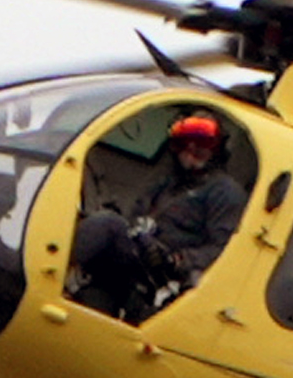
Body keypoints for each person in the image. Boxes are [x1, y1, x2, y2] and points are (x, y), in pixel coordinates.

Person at [68, 104, 253, 322]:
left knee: (107, 224)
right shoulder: (166, 183)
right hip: (134, 262)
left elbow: (224, 249)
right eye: (185, 142)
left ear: (217, 148)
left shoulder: (225, 192)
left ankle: (56, 269)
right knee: (89, 302)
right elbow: (134, 216)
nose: (192, 149)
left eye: (203, 143)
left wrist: (176, 260)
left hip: (166, 278)